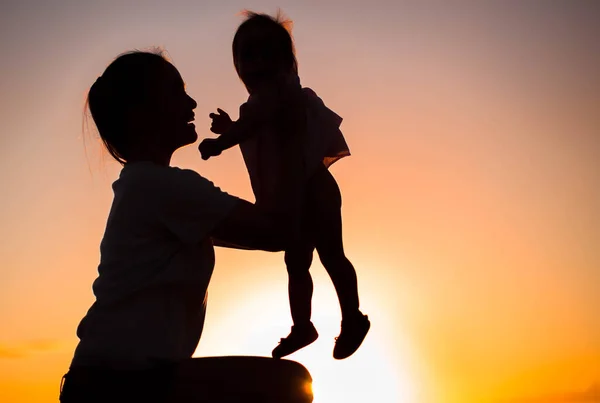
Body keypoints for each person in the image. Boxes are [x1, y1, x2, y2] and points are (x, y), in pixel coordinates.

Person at [60, 50, 312, 403]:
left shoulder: (145, 187)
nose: (191, 102)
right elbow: (277, 232)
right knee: (290, 384)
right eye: (177, 91)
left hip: (109, 381)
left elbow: (271, 229)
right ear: (142, 112)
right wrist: (278, 139)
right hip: (119, 385)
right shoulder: (163, 187)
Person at [199, 11, 370, 360]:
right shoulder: (262, 102)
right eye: (248, 54)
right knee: (296, 262)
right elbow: (258, 126)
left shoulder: (283, 92)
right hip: (293, 195)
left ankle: (352, 317)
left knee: (331, 255)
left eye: (267, 53)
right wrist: (231, 125)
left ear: (285, 60)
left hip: (313, 189)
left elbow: (255, 125)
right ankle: (302, 326)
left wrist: (222, 141)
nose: (257, 62)